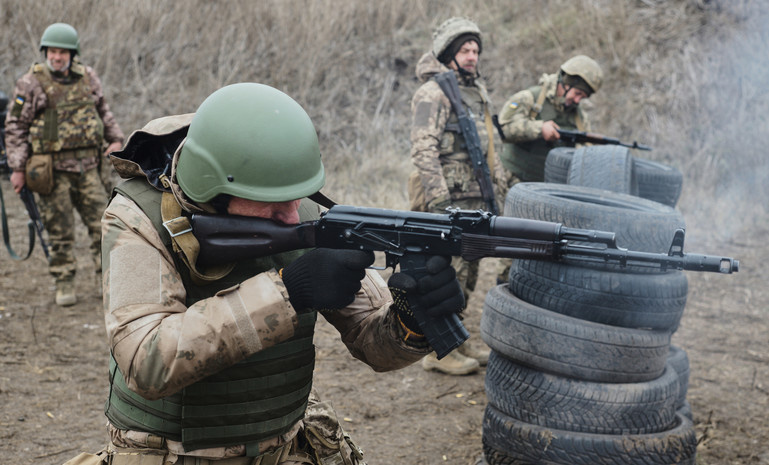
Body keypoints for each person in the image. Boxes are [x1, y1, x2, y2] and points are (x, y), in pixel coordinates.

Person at [62, 82, 465, 465]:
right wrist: (289, 292)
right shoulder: (138, 218)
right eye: (272, 204)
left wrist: (411, 321)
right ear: (213, 188)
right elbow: (146, 361)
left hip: (283, 447)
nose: (292, 216)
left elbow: (373, 341)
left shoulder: (295, 207)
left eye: (296, 198)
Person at [408, 17, 507, 375]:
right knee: (446, 275)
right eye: (464, 50)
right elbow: (423, 150)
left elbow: (488, 147)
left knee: (469, 274)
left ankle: (459, 338)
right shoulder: (433, 93)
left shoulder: (474, 90)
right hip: (449, 202)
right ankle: (441, 350)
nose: (472, 56)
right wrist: (438, 202)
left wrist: (499, 189)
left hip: (476, 199)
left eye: (476, 50)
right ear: (449, 53)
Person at [4, 22, 124, 306]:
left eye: (63, 52)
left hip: (88, 168)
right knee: (59, 232)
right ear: (46, 52)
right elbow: (14, 127)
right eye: (52, 52)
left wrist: (115, 139)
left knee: (104, 227)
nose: (57, 57)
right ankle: (64, 281)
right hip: (51, 172)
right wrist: (18, 168)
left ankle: (108, 283)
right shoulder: (29, 84)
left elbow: (103, 111)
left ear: (73, 54)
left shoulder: (88, 77)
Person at [497, 54, 603, 184]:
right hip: (512, 181)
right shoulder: (530, 98)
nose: (577, 100)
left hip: (547, 189)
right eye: (577, 93)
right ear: (566, 83)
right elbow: (503, 129)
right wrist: (539, 129)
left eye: (583, 97)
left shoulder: (580, 118)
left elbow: (586, 153)